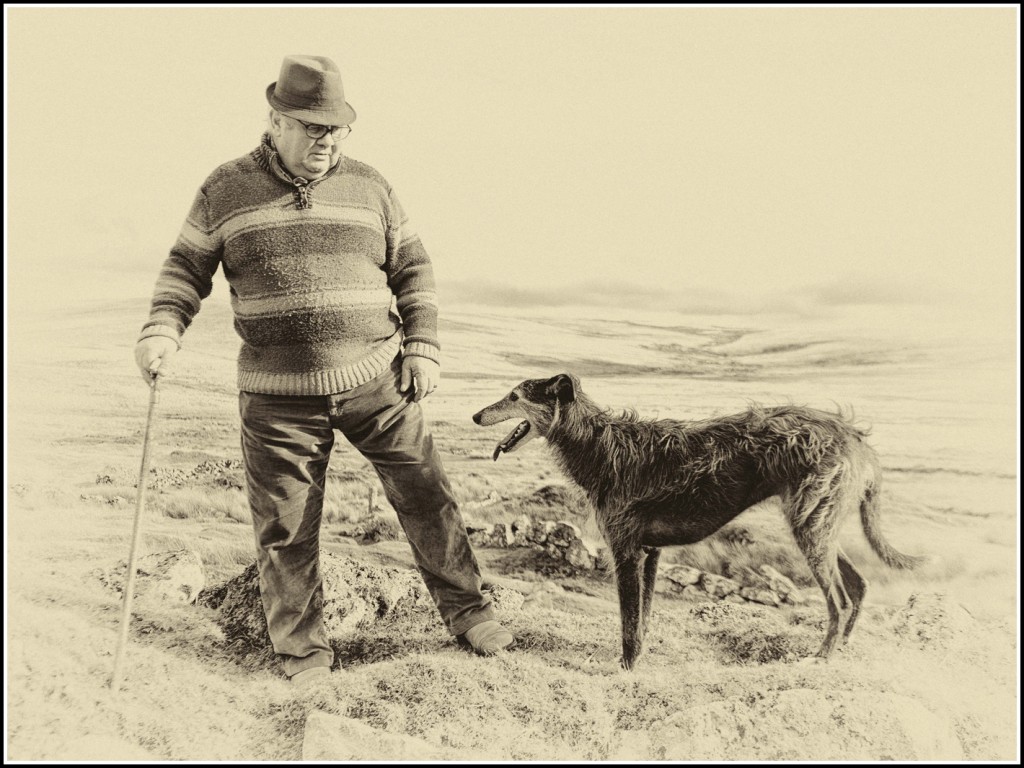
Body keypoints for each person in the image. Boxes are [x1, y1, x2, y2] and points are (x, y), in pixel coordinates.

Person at [134, 54, 513, 687]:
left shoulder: (372, 186)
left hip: (377, 380)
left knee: (427, 494)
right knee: (285, 527)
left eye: (335, 127)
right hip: (276, 397)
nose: (326, 138)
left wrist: (423, 346)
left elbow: (413, 270)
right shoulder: (223, 189)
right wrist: (160, 331)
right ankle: (304, 654)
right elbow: (184, 271)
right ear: (276, 119)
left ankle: (470, 614)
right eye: (312, 126)